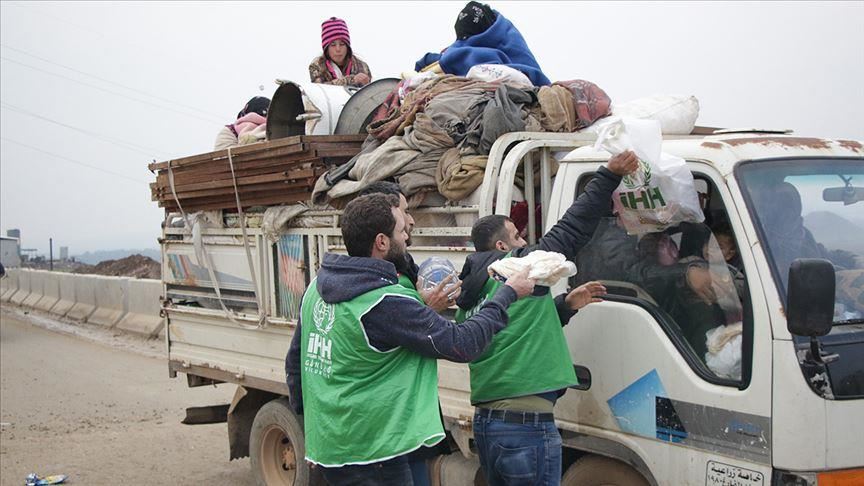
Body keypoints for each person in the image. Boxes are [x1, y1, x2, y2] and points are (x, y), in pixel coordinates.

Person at [285, 194, 535, 485]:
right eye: (402, 231)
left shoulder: (317, 287)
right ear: (382, 242)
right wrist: (507, 294)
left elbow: (295, 365)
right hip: (374, 455)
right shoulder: (385, 301)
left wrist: (315, 427)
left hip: (330, 448)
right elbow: (463, 342)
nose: (407, 236)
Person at [455, 151, 638, 485]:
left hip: (489, 424)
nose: (526, 242)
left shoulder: (471, 292)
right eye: (518, 236)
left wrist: (564, 307)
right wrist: (609, 174)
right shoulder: (522, 266)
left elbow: (506, 331)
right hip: (525, 427)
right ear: (503, 246)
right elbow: (573, 229)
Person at [358, 181, 459, 486]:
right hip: (390, 428)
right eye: (404, 213)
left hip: (408, 421)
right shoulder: (378, 292)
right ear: (382, 235)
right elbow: (458, 344)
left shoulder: (401, 269)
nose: (411, 221)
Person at [360, 181, 462, 313]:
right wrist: (431, 308)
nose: (411, 221)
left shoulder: (404, 265)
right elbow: (402, 331)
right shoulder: (386, 289)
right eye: (406, 212)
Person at [309, 17, 372, 87]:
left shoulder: (362, 67)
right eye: (333, 45)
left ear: (347, 47)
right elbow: (321, 88)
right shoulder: (317, 66)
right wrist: (351, 80)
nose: (338, 49)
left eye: (342, 44)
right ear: (326, 48)